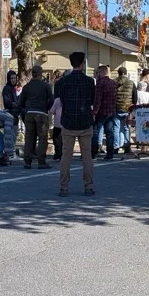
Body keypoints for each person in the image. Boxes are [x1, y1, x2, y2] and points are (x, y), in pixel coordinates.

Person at [54, 50, 96, 196]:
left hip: (68, 120)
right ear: (82, 63)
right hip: (85, 121)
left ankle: (63, 187)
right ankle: (88, 186)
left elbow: (60, 102)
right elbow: (92, 101)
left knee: (66, 156)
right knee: (87, 156)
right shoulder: (90, 82)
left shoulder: (62, 82)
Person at [17, 63, 54, 169]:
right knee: (42, 138)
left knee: (29, 137)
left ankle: (27, 161)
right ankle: (41, 161)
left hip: (29, 114)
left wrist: (25, 110)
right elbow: (51, 100)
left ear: (32, 74)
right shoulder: (46, 86)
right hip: (41, 113)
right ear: (41, 74)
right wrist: (46, 109)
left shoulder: (26, 87)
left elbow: (21, 102)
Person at [92, 64, 119, 160]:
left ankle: (94, 152)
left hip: (101, 111)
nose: (96, 75)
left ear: (101, 73)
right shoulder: (113, 83)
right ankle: (110, 153)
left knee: (95, 131)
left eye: (97, 73)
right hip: (111, 111)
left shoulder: (100, 83)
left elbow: (98, 99)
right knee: (109, 133)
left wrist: (94, 112)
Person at [114, 66, 135, 155]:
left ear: (118, 73)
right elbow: (135, 96)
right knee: (126, 128)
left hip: (116, 108)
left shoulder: (114, 82)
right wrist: (132, 105)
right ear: (126, 74)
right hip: (127, 108)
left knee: (116, 128)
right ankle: (126, 146)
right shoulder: (131, 83)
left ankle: (115, 147)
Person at [49, 69, 65, 161]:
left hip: (57, 121)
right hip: (66, 121)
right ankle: (62, 153)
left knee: (56, 137)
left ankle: (57, 152)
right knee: (64, 138)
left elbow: (52, 111)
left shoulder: (57, 100)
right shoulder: (67, 100)